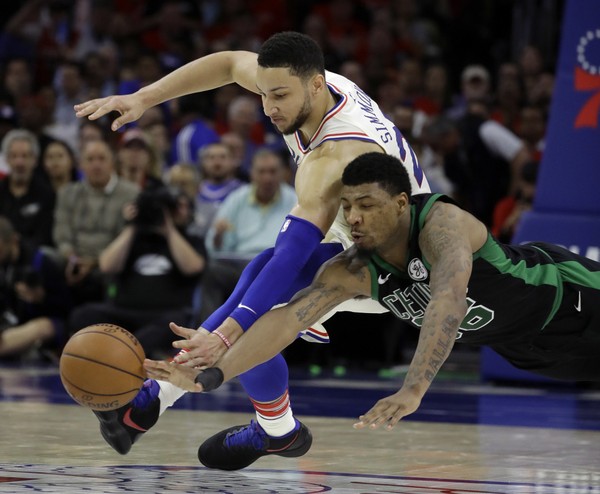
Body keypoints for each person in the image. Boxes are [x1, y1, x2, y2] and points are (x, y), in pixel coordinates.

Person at [74, 31, 430, 469]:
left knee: (260, 293)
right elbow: (226, 64)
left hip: (398, 268)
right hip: (351, 241)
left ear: (316, 85)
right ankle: (276, 431)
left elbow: (290, 256)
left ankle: (149, 405)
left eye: (279, 95)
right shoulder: (304, 82)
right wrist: (145, 98)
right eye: (263, 94)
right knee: (258, 291)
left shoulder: (335, 155)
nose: (269, 107)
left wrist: (227, 331)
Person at [145, 152, 600, 445]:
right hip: (526, 347)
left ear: (402, 203)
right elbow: (285, 321)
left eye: (367, 204)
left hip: (574, 296)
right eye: (347, 207)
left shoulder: (441, 225)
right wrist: (211, 376)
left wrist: (414, 388)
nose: (353, 218)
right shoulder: (352, 269)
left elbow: (448, 301)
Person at [68, 186, 206, 359]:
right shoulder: (133, 239)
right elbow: (106, 266)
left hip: (165, 314)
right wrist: (132, 226)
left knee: (174, 324)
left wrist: (169, 229)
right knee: (83, 315)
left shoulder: (190, 240)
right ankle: (131, 350)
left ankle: (122, 353)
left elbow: (193, 267)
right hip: (123, 313)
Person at [200, 148, 297, 322]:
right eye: (261, 172)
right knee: (212, 271)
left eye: (273, 172)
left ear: (283, 173)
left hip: (275, 265)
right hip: (240, 265)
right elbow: (214, 249)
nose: (267, 178)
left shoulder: (295, 200)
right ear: (252, 173)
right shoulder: (236, 198)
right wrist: (218, 236)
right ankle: (206, 331)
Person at [52, 139, 140, 304]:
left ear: (112, 162)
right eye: (90, 160)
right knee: (46, 259)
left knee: (115, 270)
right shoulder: (67, 193)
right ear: (81, 165)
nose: (96, 165)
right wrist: (73, 259)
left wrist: (94, 263)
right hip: (71, 260)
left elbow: (125, 237)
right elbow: (61, 235)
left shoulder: (131, 193)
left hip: (109, 263)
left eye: (101, 159)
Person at [0, 215, 72, 360]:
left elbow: (67, 308)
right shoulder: (4, 266)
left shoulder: (41, 262)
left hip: (44, 322)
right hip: (10, 323)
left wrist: (41, 298)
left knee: (41, 327)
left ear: (13, 241)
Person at [0, 129, 56, 248]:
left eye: (25, 156)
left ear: (35, 160)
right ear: (6, 160)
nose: (19, 162)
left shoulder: (46, 194)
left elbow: (45, 236)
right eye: (14, 156)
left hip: (34, 256)